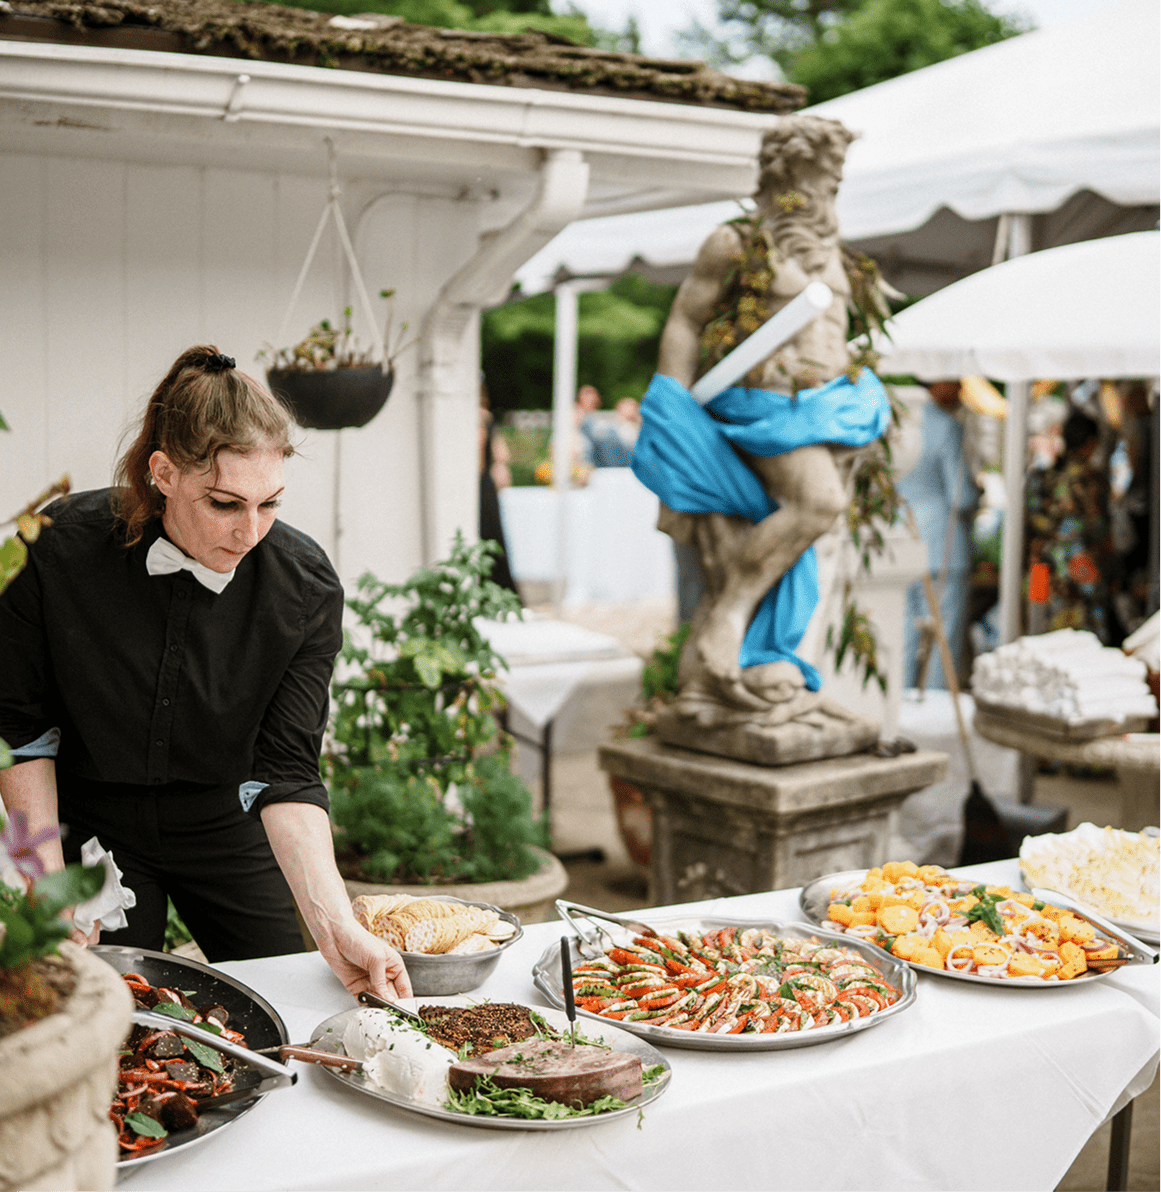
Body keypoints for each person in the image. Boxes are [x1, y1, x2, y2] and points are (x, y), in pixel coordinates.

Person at [0, 345, 410, 1000]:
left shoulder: (303, 587)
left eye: (270, 504)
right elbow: (21, 734)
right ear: (163, 472)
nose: (251, 533)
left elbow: (286, 773)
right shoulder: (53, 549)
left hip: (225, 821)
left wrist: (335, 924)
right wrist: (43, 879)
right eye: (224, 503)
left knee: (286, 1001)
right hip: (86, 820)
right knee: (108, 1014)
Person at [897, 380, 980, 689]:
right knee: (944, 635)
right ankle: (935, 705)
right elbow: (962, 496)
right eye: (954, 381)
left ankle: (901, 698)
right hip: (942, 542)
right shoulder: (946, 425)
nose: (961, 387)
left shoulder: (897, 423)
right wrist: (977, 494)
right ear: (936, 382)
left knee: (905, 631)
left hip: (901, 537)